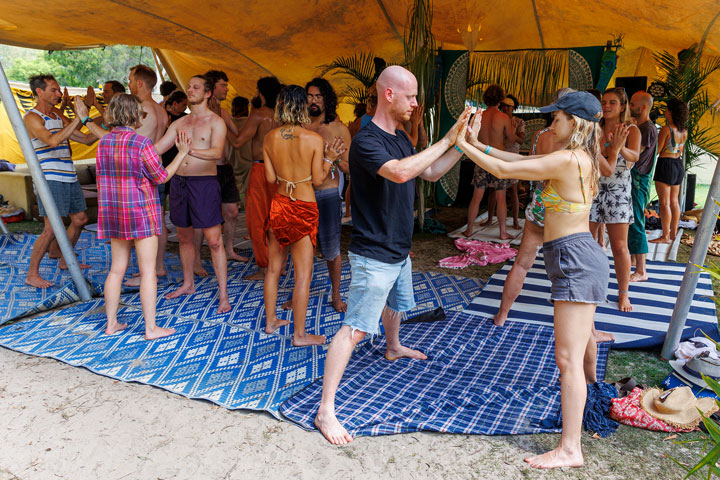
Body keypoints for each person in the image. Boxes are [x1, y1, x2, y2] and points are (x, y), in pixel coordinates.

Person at [314, 66, 470, 445]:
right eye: (411, 96)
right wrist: (448, 137)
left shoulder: (399, 136)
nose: (415, 104)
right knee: (354, 329)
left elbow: (428, 172)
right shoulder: (367, 141)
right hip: (374, 251)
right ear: (388, 94)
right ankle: (325, 411)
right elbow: (400, 173)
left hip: (398, 247)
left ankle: (394, 345)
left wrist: (462, 147)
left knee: (396, 303)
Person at [458, 91, 613, 469]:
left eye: (556, 117)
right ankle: (589, 402)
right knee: (576, 349)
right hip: (574, 257)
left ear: (574, 123)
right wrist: (477, 144)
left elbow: (506, 172)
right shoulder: (576, 158)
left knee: (566, 358)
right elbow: (512, 160)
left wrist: (462, 143)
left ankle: (571, 448)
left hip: (576, 260)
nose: (551, 123)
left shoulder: (569, 159)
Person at [93, 93, 190, 339]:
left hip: (113, 213)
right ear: (133, 114)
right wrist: (181, 153)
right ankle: (150, 328)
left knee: (116, 270)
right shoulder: (141, 143)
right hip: (140, 213)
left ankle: (111, 323)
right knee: (147, 271)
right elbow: (161, 177)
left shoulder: (103, 142)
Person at [262, 85, 344, 345]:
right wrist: (330, 159)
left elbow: (270, 178)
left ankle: (271, 321)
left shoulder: (270, 138)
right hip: (304, 209)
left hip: (279, 205)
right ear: (302, 106)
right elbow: (319, 180)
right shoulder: (313, 139)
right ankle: (299, 335)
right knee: (303, 276)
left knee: (273, 270)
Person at [150, 75, 231, 314]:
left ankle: (224, 295)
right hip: (179, 183)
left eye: (196, 87)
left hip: (204, 184)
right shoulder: (179, 123)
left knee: (215, 241)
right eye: (189, 86)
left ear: (207, 93)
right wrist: (128, 142)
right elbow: (157, 149)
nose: (190, 90)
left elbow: (217, 152)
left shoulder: (216, 122)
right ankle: (188, 283)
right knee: (184, 238)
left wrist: (187, 150)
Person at [23, 75, 97, 289]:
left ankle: (65, 259)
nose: (58, 94)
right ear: (39, 92)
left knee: (80, 219)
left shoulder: (56, 115)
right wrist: (79, 116)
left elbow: (84, 138)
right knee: (52, 228)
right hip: (50, 177)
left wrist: (106, 120)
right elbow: (52, 140)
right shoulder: (32, 117)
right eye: (54, 90)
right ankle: (32, 274)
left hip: (68, 175)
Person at [589, 87, 640, 312]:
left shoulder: (631, 129)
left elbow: (635, 156)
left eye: (611, 103)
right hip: (592, 188)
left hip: (617, 192)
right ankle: (588, 288)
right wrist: (610, 145)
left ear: (622, 106)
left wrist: (618, 147)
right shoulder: (594, 128)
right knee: (587, 243)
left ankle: (623, 294)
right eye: (604, 102)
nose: (606, 106)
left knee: (619, 247)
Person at [302, 77, 351, 312]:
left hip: (328, 194)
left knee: (332, 250)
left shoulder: (338, 129)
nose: (313, 101)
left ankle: (336, 294)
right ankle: (300, 295)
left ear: (326, 100)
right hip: (302, 194)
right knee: (302, 249)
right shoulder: (299, 127)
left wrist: (336, 158)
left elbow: (349, 168)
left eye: (318, 97)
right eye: (310, 96)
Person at [227, 76, 283, 280]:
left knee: (257, 220)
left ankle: (265, 268)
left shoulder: (259, 114)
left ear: (261, 92)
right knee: (278, 218)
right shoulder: (283, 115)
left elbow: (238, 142)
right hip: (283, 172)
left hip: (261, 170)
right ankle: (279, 264)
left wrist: (224, 125)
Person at [463, 84, 521, 239]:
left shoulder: (478, 116)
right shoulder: (503, 117)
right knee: (501, 197)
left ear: (485, 99)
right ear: (501, 100)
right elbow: (511, 139)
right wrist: (514, 131)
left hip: (481, 158)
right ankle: (502, 232)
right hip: (497, 159)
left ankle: (469, 230)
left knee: (477, 196)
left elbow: (469, 137)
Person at [202, 70, 247, 264]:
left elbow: (239, 136)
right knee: (206, 215)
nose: (227, 89)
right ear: (212, 88)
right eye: (223, 85)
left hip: (226, 168)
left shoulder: (224, 113)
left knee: (232, 212)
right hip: (209, 169)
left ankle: (229, 249)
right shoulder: (203, 113)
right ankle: (200, 256)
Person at [628, 91, 658, 281]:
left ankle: (641, 270)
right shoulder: (642, 127)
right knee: (632, 220)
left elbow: (633, 154)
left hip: (639, 180)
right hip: (637, 179)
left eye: (632, 104)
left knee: (637, 221)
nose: (629, 106)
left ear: (644, 107)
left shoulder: (646, 128)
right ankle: (633, 259)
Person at [651, 98, 689, 244]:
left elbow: (657, 151)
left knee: (664, 203)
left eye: (667, 109)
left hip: (666, 164)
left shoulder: (667, 129)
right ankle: (673, 233)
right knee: (674, 201)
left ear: (671, 112)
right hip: (678, 164)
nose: (665, 112)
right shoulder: (684, 130)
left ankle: (665, 236)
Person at [230, 96, 253, 209]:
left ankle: (236, 205)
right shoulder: (250, 123)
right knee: (249, 189)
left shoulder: (228, 122)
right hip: (248, 160)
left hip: (231, 160)